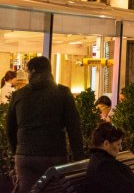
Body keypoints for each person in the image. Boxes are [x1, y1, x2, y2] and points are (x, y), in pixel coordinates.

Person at [6, 56, 84, 193]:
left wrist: (16, 152)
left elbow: (10, 129)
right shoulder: (63, 93)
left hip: (26, 155)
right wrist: (78, 157)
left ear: (33, 71)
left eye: (27, 72)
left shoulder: (18, 95)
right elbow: (74, 128)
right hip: (55, 154)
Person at [85, 123, 134, 193]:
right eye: (118, 144)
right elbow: (127, 189)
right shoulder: (103, 166)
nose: (120, 148)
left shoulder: (99, 161)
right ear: (106, 144)